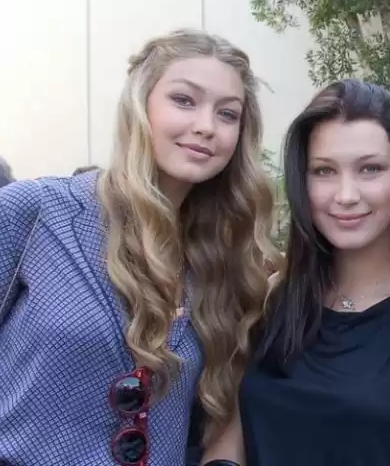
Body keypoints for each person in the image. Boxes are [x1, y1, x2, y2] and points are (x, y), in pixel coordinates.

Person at [0, 29, 281, 465]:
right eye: (184, 100)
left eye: (227, 114)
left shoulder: (223, 258)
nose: (206, 126)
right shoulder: (34, 211)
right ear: (140, 104)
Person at [201, 79, 390, 466]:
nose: (346, 195)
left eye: (370, 169)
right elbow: (229, 443)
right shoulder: (274, 296)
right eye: (324, 171)